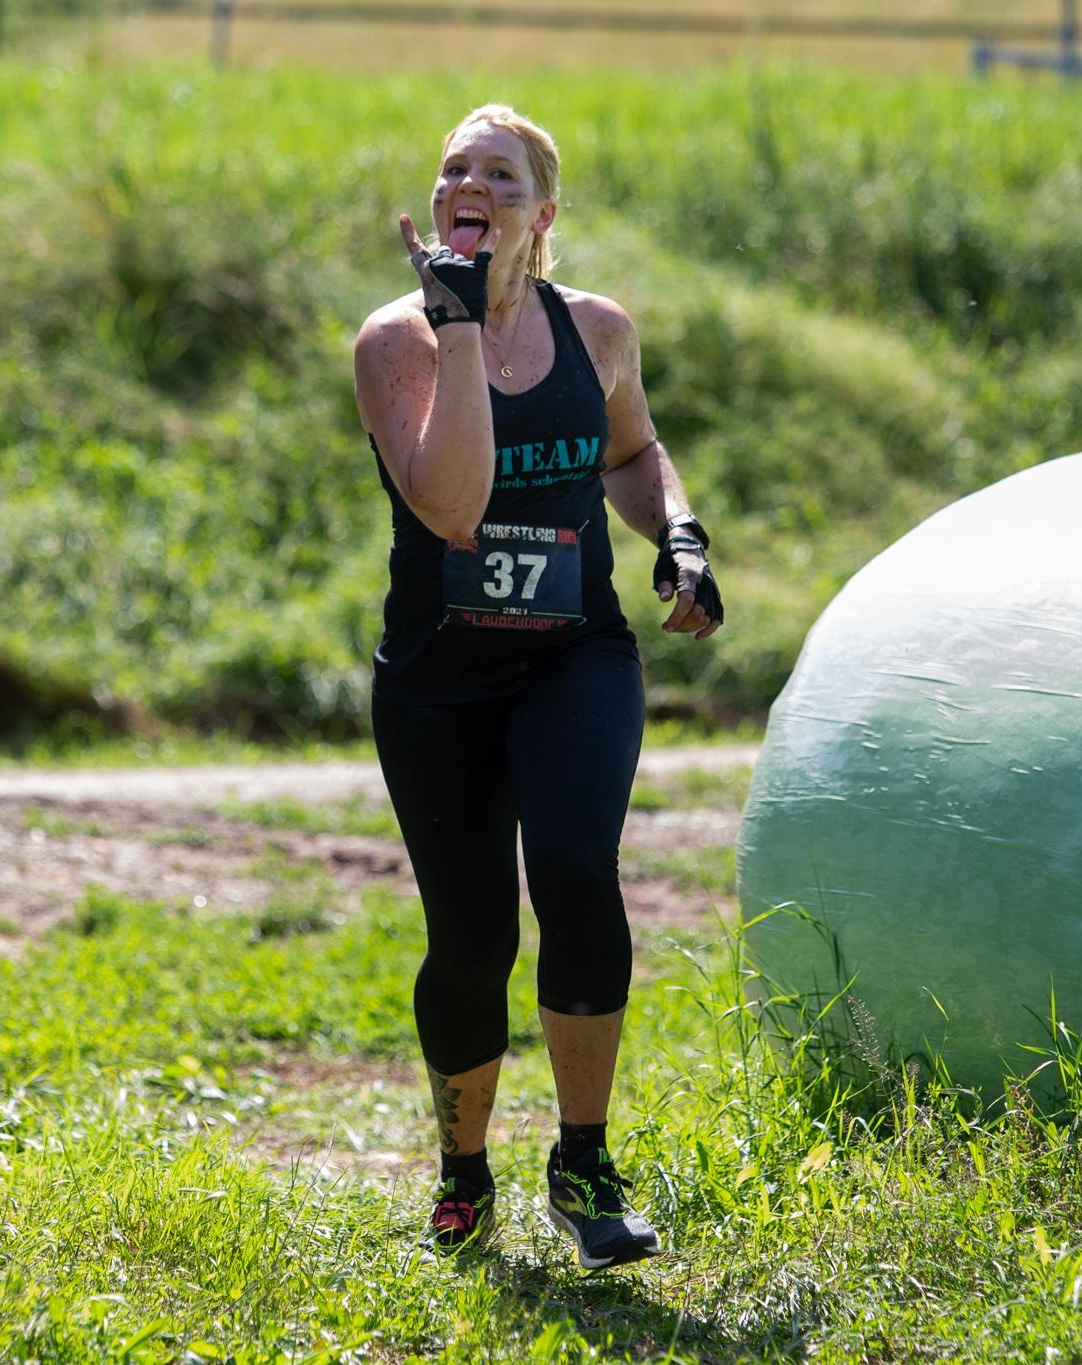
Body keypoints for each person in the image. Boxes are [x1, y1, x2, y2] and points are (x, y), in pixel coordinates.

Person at [350, 104, 723, 1267]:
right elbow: (452, 508)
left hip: (573, 653)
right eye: (455, 170)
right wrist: (458, 330)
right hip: (438, 677)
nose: (473, 185)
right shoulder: (395, 342)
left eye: (500, 176)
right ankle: (463, 1173)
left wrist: (677, 529)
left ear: (540, 215)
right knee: (468, 939)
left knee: (573, 869)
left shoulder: (597, 329)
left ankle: (584, 1161)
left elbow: (629, 451)